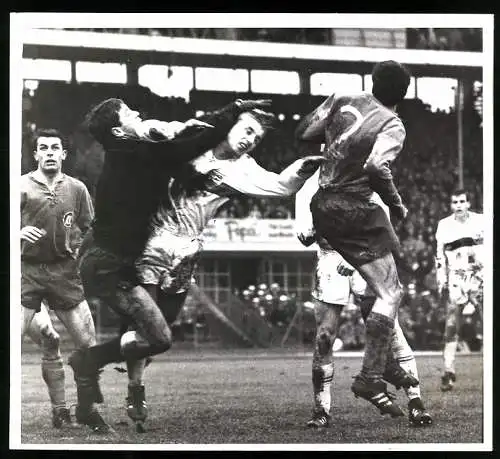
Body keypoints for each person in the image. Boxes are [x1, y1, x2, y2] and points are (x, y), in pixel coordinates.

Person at [71, 97, 272, 430]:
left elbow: (179, 146)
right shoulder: (138, 155)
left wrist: (200, 123)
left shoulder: (130, 153)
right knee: (158, 337)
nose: (140, 115)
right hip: (106, 267)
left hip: (110, 264)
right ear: (121, 131)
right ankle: (87, 363)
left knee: (153, 335)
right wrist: (232, 110)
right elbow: (190, 146)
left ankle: (87, 388)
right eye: (132, 114)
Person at [122, 108, 324, 430]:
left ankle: (126, 351)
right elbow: (154, 142)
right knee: (147, 320)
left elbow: (281, 187)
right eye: (246, 131)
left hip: (187, 248)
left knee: (161, 332)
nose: (249, 141)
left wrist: (302, 168)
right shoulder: (196, 140)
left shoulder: (244, 170)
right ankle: (135, 389)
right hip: (151, 237)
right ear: (230, 126)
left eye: (256, 139)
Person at [295, 60, 411, 416]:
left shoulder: (343, 96)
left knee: (380, 286)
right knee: (391, 292)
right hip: (354, 206)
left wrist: (335, 139)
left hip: (322, 204)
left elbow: (305, 131)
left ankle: (382, 369)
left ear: (372, 81)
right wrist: (396, 202)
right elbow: (377, 166)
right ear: (403, 95)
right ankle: (372, 375)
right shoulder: (393, 124)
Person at [296, 170, 432, 428]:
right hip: (328, 259)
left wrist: (355, 255)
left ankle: (416, 402)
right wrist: (312, 233)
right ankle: (321, 410)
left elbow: (382, 228)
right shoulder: (307, 185)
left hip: (366, 256)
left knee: (391, 332)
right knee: (324, 337)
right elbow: (304, 235)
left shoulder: (365, 177)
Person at [20, 128, 99, 430]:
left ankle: (86, 410)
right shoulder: (20, 187)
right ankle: (59, 410)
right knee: (37, 340)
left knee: (88, 344)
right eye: (44, 148)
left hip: (64, 272)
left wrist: (79, 252)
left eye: (56, 147)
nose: (50, 152)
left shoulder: (77, 189)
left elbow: (92, 228)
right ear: (36, 154)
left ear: (64, 154)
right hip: (26, 271)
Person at [435, 189, 483, 391]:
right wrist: (441, 281)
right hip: (456, 279)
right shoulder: (444, 225)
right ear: (451, 205)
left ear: (469, 203)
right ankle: (448, 371)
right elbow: (439, 257)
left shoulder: (482, 221)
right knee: (452, 325)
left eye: (462, 201)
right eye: (455, 202)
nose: (459, 205)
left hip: (481, 278)